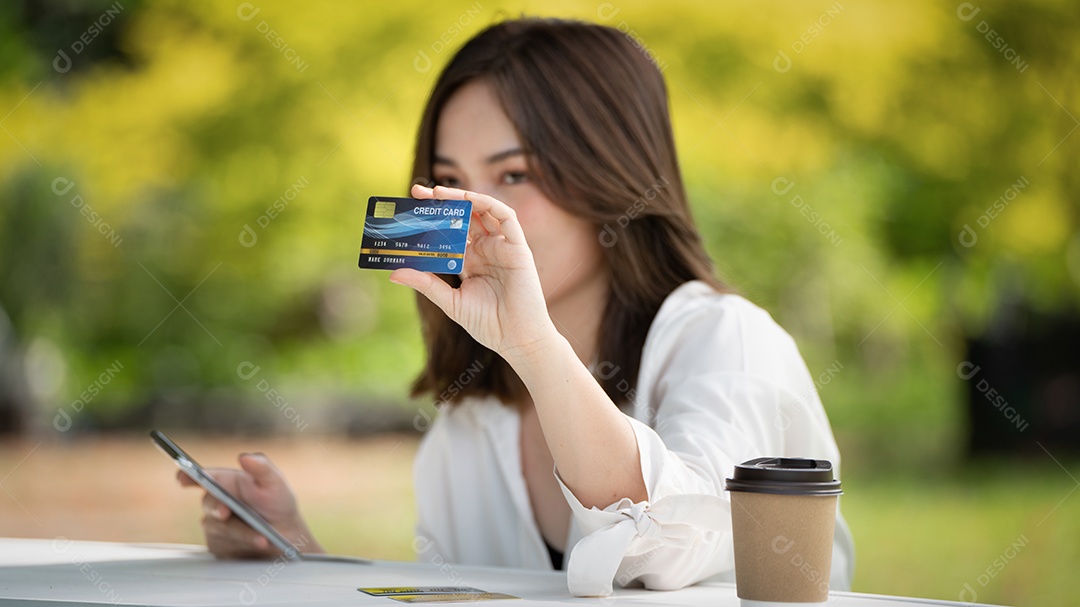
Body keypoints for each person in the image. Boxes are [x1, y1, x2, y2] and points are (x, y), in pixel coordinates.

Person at [179, 17, 854, 596]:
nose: (475, 213)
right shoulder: (472, 416)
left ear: (611, 177)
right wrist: (301, 553)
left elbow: (670, 541)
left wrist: (534, 345)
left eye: (513, 175)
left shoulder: (725, 340)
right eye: (448, 181)